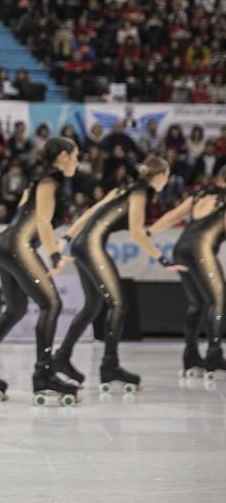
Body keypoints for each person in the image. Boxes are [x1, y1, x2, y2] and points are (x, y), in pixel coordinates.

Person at [54, 157, 188, 393]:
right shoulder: (141, 193)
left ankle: (62, 358)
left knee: (93, 305)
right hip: (92, 245)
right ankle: (110, 366)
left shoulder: (123, 188)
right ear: (158, 176)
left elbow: (89, 213)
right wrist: (162, 259)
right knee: (119, 303)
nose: (166, 182)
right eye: (165, 177)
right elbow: (137, 232)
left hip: (82, 244)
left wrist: (68, 237)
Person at [0, 138, 81, 404]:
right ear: (63, 156)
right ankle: (44, 375)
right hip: (18, 247)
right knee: (51, 304)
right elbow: (41, 221)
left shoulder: (37, 180)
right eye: (75, 155)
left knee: (15, 309)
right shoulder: (51, 179)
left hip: (4, 245)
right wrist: (53, 255)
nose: (78, 160)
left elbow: (26, 215)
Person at [147, 167, 226, 378]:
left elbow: (172, 217)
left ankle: (190, 356)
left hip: (181, 248)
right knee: (218, 300)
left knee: (198, 303)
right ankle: (214, 354)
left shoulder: (200, 196)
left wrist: (147, 233)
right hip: (202, 250)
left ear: (219, 179)